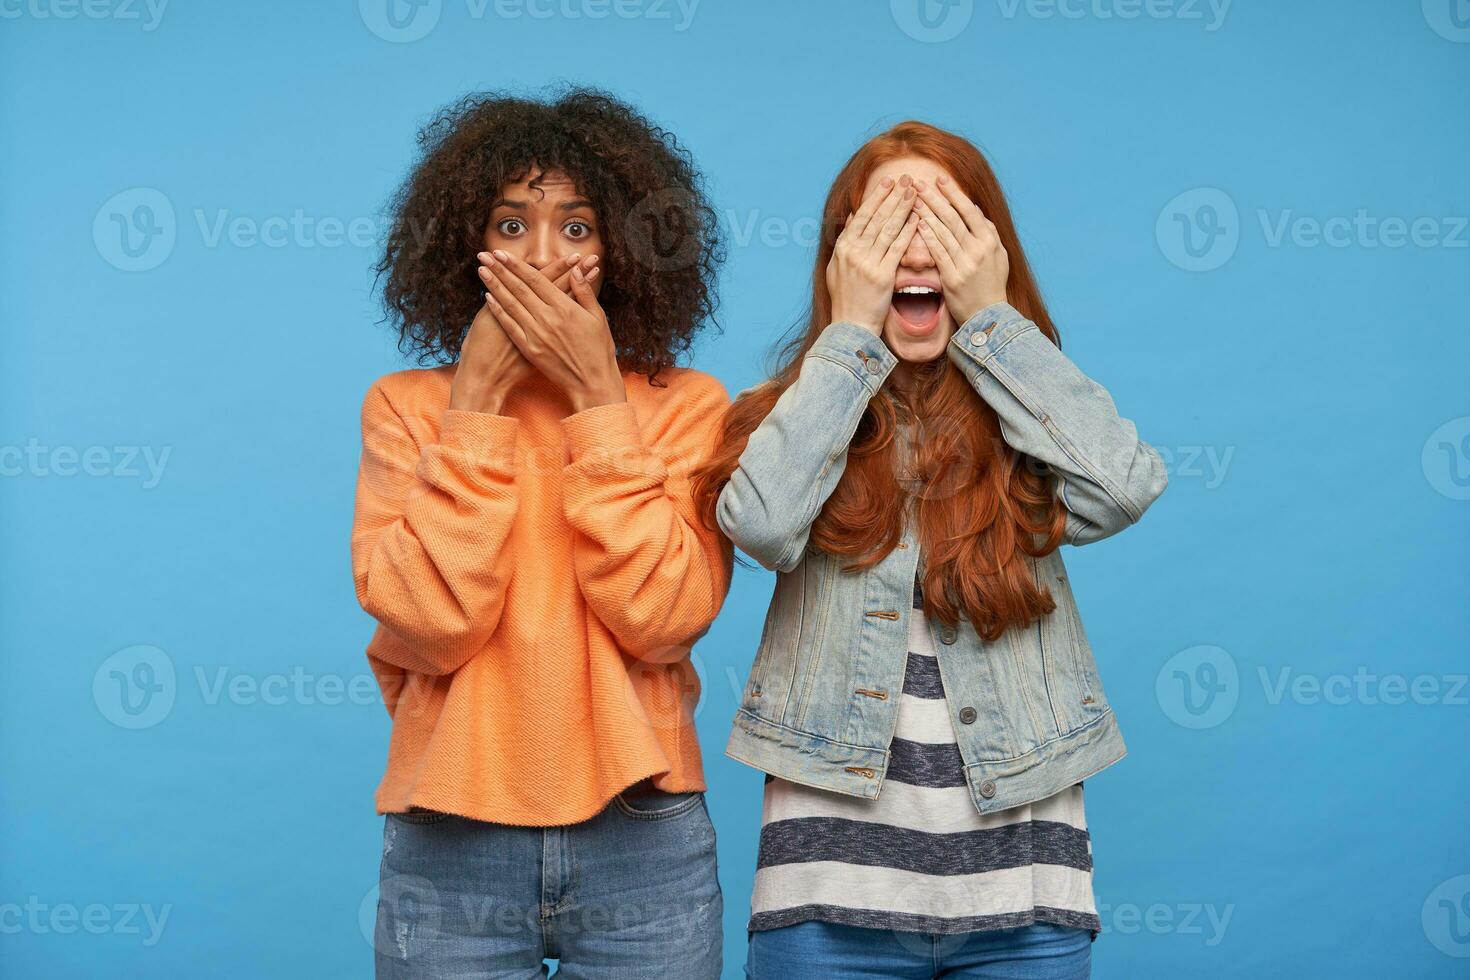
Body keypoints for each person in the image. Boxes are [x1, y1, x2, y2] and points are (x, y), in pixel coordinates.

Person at [691, 121, 1169, 979]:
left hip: (1023, 891)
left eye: (945, 223)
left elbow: (1124, 485)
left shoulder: (1032, 423)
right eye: (885, 227)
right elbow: (761, 524)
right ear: (844, 257)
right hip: (826, 889)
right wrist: (849, 338)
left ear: (990, 248)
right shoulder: (792, 414)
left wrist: (993, 317)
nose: (915, 254)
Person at [354, 87, 731, 979]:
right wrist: (474, 406)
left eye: (575, 226)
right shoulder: (406, 409)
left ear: (622, 247)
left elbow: (666, 618)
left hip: (644, 837)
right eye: (512, 225)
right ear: (467, 247)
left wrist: (601, 405)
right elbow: (428, 625)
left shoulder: (686, 408)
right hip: (448, 839)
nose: (542, 258)